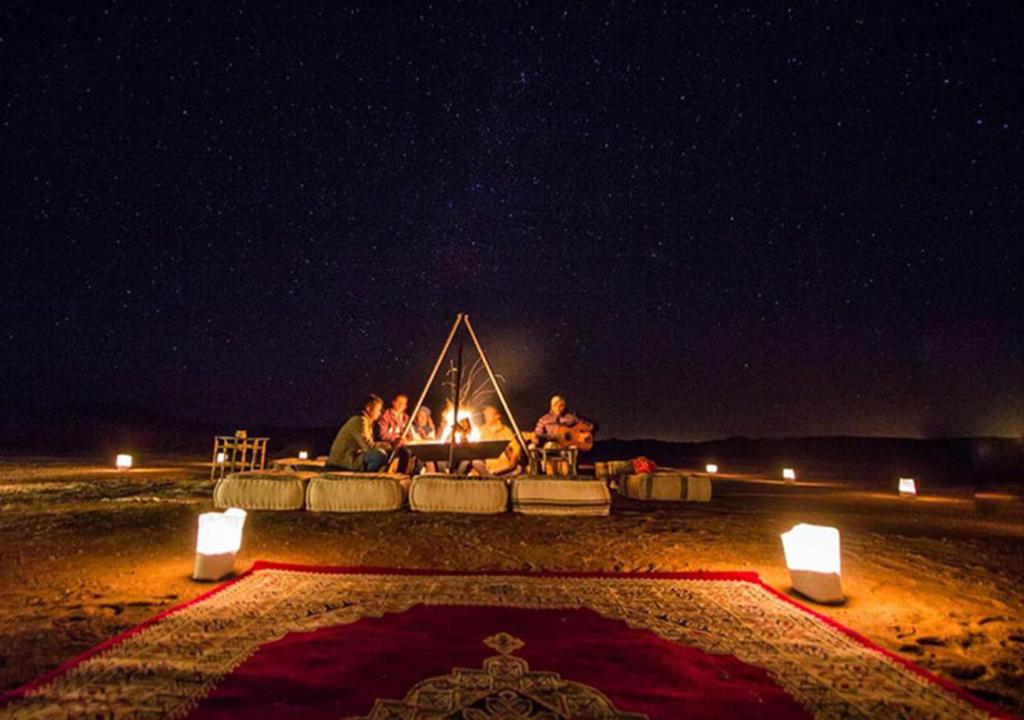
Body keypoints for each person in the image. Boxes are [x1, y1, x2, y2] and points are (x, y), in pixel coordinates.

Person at [325, 394, 391, 472]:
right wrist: (389, 446)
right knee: (379, 455)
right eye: (378, 410)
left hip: (351, 457)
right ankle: (367, 476)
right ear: (368, 408)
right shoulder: (359, 421)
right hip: (342, 459)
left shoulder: (367, 422)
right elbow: (369, 447)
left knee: (382, 455)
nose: (380, 413)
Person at [471, 405, 520, 476]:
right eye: (485, 415)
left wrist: (513, 460)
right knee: (475, 462)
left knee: (518, 469)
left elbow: (516, 448)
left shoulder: (505, 430)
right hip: (487, 468)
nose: (485, 416)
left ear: (497, 416)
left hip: (504, 468)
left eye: (488, 414)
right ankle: (489, 476)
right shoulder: (480, 430)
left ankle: (493, 477)